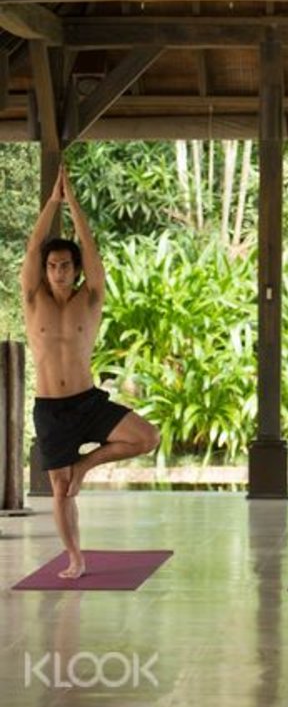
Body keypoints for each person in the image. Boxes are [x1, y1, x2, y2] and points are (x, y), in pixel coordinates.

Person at [21, 166, 160, 579]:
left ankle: (87, 466)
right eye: (52, 266)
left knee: (146, 437)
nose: (58, 271)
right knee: (60, 490)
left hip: (87, 401)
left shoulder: (91, 298)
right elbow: (31, 250)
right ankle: (75, 558)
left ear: (76, 270)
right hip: (50, 408)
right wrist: (52, 204)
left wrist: (74, 205)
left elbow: (92, 250)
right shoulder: (32, 299)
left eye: (65, 265)